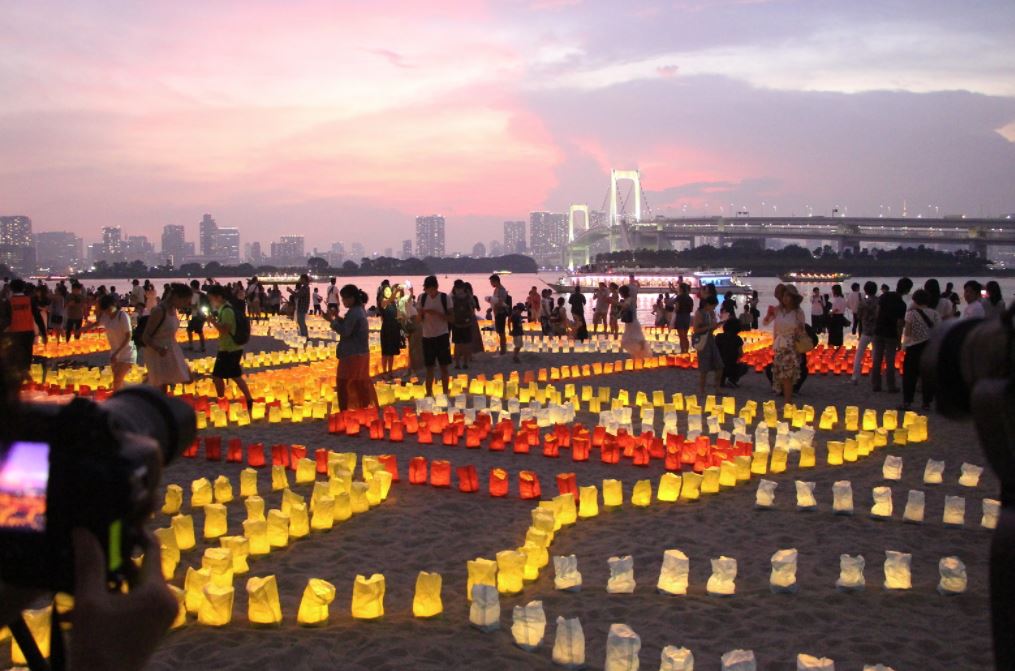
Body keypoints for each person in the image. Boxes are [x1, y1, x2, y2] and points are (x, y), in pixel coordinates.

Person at [328, 284, 378, 410]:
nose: (343, 301)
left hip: (353, 354)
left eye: (345, 298)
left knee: (345, 383)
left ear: (352, 298)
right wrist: (337, 318)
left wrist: (332, 321)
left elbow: (346, 331)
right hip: (360, 353)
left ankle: (347, 411)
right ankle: (363, 409)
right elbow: (349, 325)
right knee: (359, 383)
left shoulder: (355, 312)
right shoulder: (358, 310)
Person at [204, 285, 254, 409]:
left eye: (211, 299)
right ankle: (247, 399)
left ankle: (222, 399)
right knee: (232, 375)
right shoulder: (224, 309)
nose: (211, 302)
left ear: (219, 297)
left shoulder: (226, 310)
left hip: (229, 349)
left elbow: (224, 330)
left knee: (219, 376)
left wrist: (213, 321)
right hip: (231, 348)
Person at [142, 283, 192, 393]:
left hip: (171, 347)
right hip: (157, 350)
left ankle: (147, 389)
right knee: (161, 384)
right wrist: (159, 349)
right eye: (184, 301)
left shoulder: (174, 310)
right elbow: (145, 337)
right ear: (176, 297)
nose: (186, 304)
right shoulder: (159, 311)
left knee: (187, 377)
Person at [764, 283, 806, 403]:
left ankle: (788, 401)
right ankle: (788, 400)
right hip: (779, 345)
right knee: (780, 374)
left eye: (788, 296)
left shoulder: (798, 312)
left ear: (793, 298)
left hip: (791, 345)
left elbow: (802, 329)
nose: (786, 299)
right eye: (784, 296)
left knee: (787, 375)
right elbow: (766, 322)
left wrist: (799, 329)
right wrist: (768, 314)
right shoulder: (778, 310)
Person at [870, 277, 912, 393]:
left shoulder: (884, 296)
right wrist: (899, 340)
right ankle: (891, 386)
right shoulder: (902, 304)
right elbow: (899, 324)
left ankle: (876, 385)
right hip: (891, 334)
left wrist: (876, 325)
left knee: (877, 359)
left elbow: (877, 312)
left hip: (878, 331)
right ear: (907, 290)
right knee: (890, 361)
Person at [901, 288, 940, 411]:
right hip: (929, 347)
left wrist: (904, 346)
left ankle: (908, 401)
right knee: (927, 376)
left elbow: (907, 332)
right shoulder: (934, 313)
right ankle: (926, 402)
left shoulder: (910, 314)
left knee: (910, 376)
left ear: (914, 300)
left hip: (914, 348)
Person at [418, 275, 453, 397]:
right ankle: (428, 393)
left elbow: (451, 318)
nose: (429, 292)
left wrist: (437, 313)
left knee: (444, 366)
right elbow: (418, 319)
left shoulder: (445, 298)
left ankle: (445, 392)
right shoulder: (422, 298)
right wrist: (421, 313)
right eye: (427, 289)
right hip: (427, 336)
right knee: (429, 367)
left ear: (436, 287)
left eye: (431, 289)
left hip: (442, 335)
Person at [0, 279, 40, 383]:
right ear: (24, 288)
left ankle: (18, 380)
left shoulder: (8, 302)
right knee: (27, 355)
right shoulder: (30, 300)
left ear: (11, 288)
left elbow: (6, 320)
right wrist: (43, 333)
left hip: (14, 333)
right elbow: (37, 317)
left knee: (15, 357)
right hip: (28, 332)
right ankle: (26, 377)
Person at [94, 294, 136, 390]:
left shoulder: (123, 316)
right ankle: (127, 396)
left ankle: (117, 401)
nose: (107, 311)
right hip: (115, 353)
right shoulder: (106, 317)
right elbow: (97, 323)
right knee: (118, 381)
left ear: (114, 304)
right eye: (105, 310)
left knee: (117, 379)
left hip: (127, 353)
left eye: (108, 309)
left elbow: (128, 336)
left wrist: (117, 353)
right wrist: (82, 329)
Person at [692, 294, 722, 397]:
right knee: (704, 368)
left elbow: (711, 328)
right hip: (703, 341)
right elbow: (696, 330)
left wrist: (716, 326)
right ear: (707, 304)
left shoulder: (711, 313)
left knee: (719, 365)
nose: (714, 308)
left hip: (711, 340)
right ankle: (702, 390)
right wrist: (710, 327)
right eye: (713, 306)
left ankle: (717, 389)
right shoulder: (699, 313)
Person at [850, 281, 879, 384]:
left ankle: (855, 377)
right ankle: (875, 378)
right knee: (876, 355)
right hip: (876, 331)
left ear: (865, 290)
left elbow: (858, 316)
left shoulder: (862, 302)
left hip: (865, 331)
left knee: (859, 355)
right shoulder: (879, 301)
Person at [378, 284, 403, 380]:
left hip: (394, 328)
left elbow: (398, 314)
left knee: (391, 352)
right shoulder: (383, 302)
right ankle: (384, 372)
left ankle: (390, 371)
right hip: (386, 328)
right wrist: (395, 292)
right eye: (386, 291)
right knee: (385, 352)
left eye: (389, 290)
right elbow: (388, 301)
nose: (388, 292)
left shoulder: (393, 303)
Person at [716, 317, 749, 388]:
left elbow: (715, 350)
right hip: (730, 367)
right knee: (744, 366)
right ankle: (732, 380)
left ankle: (721, 380)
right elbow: (741, 354)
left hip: (718, 366)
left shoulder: (718, 337)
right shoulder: (737, 339)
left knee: (722, 363)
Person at [450, 280, 474, 369]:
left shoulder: (452, 297)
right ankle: (465, 363)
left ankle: (457, 364)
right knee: (466, 344)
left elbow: (450, 310)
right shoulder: (468, 297)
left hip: (456, 324)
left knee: (457, 344)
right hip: (467, 324)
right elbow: (472, 310)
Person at [489, 274, 509, 355]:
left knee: (501, 332)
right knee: (499, 331)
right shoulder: (497, 289)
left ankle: (503, 350)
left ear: (496, 281)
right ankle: (502, 348)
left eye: (491, 282)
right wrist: (491, 308)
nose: (491, 284)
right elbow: (495, 301)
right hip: (497, 313)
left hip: (501, 313)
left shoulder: (501, 290)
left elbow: (501, 302)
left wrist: (494, 306)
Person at [186, 279, 208, 352]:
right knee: (198, 331)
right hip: (202, 315)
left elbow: (194, 306)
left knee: (190, 330)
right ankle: (201, 346)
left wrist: (188, 307)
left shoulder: (195, 295)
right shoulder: (202, 294)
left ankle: (193, 346)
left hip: (197, 315)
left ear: (192, 286)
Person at [674, 282, 694, 353]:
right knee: (685, 336)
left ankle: (683, 352)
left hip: (680, 317)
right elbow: (691, 309)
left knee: (681, 337)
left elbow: (677, 308)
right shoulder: (690, 298)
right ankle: (687, 351)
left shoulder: (679, 297)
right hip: (687, 317)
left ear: (681, 289)